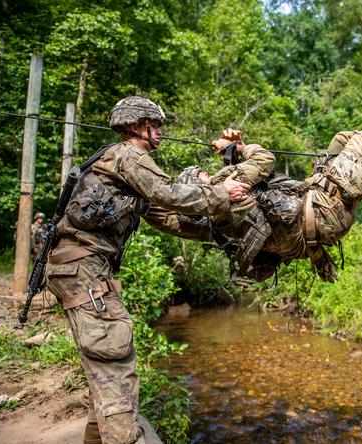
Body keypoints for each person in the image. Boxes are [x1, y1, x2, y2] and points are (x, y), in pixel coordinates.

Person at [44, 96, 250, 444]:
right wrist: (223, 192)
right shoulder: (128, 155)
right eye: (155, 125)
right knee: (115, 366)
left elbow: (168, 218)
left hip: (81, 269)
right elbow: (168, 192)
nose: (159, 132)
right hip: (84, 268)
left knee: (106, 369)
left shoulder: (128, 172)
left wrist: (224, 234)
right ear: (136, 126)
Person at [153, 68, 362, 282]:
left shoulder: (206, 226)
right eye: (202, 176)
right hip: (325, 211)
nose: (208, 174)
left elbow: (166, 219)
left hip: (317, 216)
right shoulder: (222, 190)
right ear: (199, 188)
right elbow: (264, 160)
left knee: (340, 141)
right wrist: (232, 148)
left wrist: (131, 182)